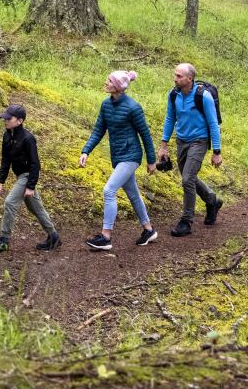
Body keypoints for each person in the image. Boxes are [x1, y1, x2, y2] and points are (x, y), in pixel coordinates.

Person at [79, 70, 158, 250]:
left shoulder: (133, 108)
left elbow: (145, 135)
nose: (105, 82)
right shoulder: (106, 105)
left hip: (131, 156)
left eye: (109, 81)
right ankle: (148, 230)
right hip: (117, 156)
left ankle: (106, 236)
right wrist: (86, 151)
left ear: (118, 87)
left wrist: (151, 160)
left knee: (109, 190)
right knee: (133, 194)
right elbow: (98, 130)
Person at [0, 103, 61, 253]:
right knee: (36, 208)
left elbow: (35, 164)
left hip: (28, 175)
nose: (5, 120)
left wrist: (31, 186)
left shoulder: (28, 138)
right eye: (5, 118)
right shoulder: (7, 135)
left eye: (9, 118)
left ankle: (4, 240)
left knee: (10, 202)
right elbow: (5, 159)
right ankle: (54, 236)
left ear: (19, 121)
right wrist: (1, 180)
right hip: (21, 176)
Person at [159, 63, 223, 237]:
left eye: (179, 76)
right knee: (189, 177)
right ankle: (212, 201)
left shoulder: (204, 96)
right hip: (182, 141)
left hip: (199, 141)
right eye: (175, 75)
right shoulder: (173, 95)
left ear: (190, 78)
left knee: (187, 178)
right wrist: (163, 145)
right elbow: (169, 118)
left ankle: (186, 221)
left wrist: (217, 152)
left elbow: (213, 124)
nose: (175, 78)